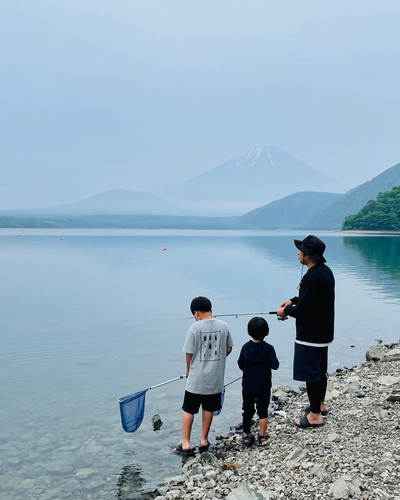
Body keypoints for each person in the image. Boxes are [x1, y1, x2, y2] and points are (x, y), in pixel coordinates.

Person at [277, 235, 335, 429]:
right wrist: (293, 300)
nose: (298, 252)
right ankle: (319, 404)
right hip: (324, 332)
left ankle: (315, 417)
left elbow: (305, 311)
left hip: (310, 335)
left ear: (308, 255)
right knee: (320, 372)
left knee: (312, 375)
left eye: (300, 250)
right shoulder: (325, 272)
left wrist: (286, 311)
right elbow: (311, 298)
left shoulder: (312, 276)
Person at [173, 296, 234, 455]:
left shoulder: (194, 328)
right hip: (215, 379)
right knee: (208, 408)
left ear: (196, 313)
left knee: (189, 409)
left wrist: (188, 369)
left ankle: (186, 443)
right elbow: (228, 349)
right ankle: (204, 440)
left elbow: (189, 353)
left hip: (196, 379)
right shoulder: (224, 326)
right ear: (211, 309)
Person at [238, 317, 279, 446]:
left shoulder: (245, 347)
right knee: (262, 410)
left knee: (247, 410)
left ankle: (246, 435)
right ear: (267, 332)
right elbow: (275, 365)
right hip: (263, 386)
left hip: (248, 386)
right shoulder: (269, 349)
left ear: (248, 332)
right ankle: (261, 435)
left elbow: (240, 364)